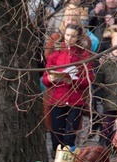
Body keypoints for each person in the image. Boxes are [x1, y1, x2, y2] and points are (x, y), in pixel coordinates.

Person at [43, 23, 93, 152]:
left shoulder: (83, 55)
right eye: (67, 35)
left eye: (73, 36)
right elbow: (45, 78)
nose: (69, 39)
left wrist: (73, 81)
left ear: (78, 38)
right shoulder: (56, 54)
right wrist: (50, 79)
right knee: (56, 134)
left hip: (75, 100)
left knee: (70, 136)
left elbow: (89, 79)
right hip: (58, 99)